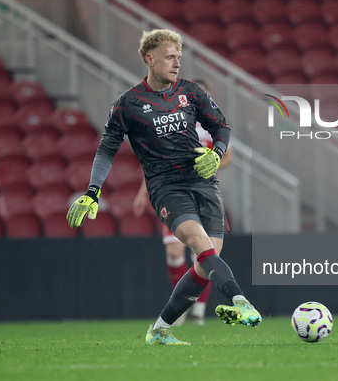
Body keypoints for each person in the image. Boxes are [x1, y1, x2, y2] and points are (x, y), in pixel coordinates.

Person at [66, 29, 261, 346]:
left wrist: (216, 153)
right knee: (198, 242)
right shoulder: (128, 104)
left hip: (203, 182)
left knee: (204, 262)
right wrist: (92, 191)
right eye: (170, 57)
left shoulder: (191, 92)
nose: (177, 64)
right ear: (150, 58)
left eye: (179, 58)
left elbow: (221, 127)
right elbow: (106, 150)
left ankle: (159, 330)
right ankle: (241, 301)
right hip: (166, 187)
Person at [132, 78, 234, 326]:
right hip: (175, 193)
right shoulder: (171, 121)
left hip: (203, 193)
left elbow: (228, 156)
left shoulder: (213, 124)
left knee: (203, 254)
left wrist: (211, 164)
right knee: (174, 250)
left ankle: (197, 310)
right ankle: (182, 306)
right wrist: (141, 192)